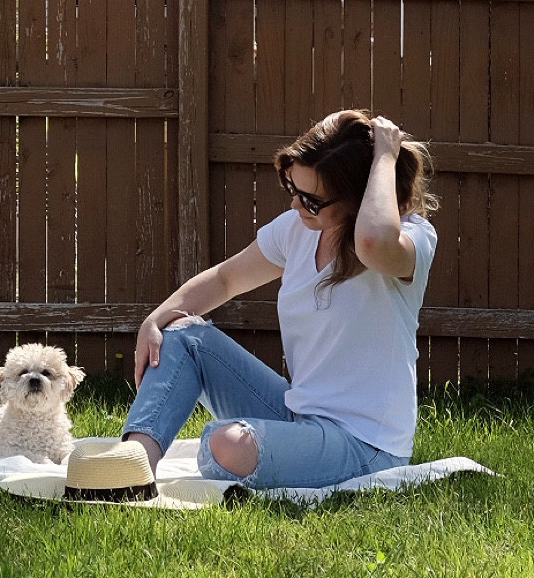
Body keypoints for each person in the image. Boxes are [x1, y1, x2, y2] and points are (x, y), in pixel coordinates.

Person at [123, 109, 438, 491]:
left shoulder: (411, 240)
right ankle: (133, 466)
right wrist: (153, 321)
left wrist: (385, 156)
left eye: (312, 200)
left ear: (359, 195)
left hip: (364, 445)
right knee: (183, 333)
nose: (296, 206)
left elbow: (371, 241)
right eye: (293, 189)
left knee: (227, 443)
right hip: (297, 414)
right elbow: (226, 279)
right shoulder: (298, 229)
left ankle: (233, 451)